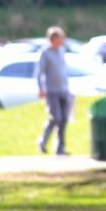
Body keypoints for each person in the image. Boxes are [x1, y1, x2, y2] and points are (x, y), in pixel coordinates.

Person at [34, 25, 72, 156]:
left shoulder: (61, 50)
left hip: (64, 90)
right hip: (52, 91)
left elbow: (63, 70)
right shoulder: (45, 53)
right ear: (54, 38)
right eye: (61, 37)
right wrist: (41, 88)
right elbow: (39, 73)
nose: (63, 40)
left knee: (64, 119)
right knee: (56, 118)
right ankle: (43, 142)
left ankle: (60, 148)